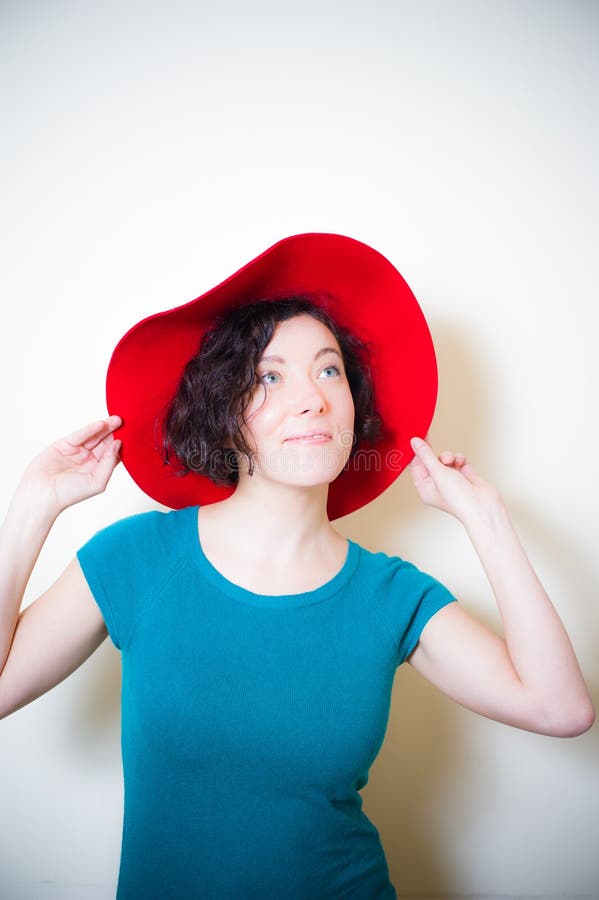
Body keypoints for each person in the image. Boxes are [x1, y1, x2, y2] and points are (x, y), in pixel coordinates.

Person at [0, 235, 594, 899]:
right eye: (269, 376)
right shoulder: (136, 557)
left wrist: (486, 520)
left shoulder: (390, 594)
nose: (311, 398)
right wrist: (32, 508)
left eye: (328, 370)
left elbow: (558, 708)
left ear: (352, 406)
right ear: (225, 413)